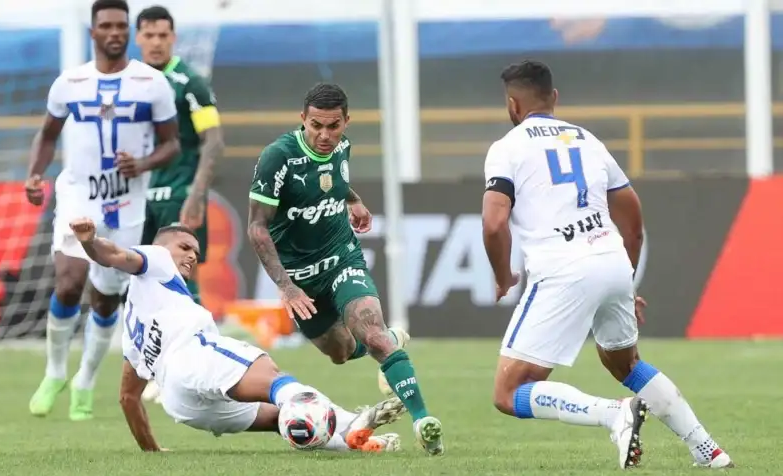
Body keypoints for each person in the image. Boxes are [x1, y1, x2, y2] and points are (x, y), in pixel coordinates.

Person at [481, 60, 732, 469]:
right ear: (554, 98)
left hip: (562, 268)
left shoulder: (507, 148)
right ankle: (708, 449)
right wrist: (626, 283)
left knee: (510, 392)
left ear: (512, 105)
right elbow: (632, 220)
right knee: (625, 362)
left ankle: (613, 414)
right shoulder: (588, 140)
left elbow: (494, 224)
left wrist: (502, 275)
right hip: (612, 258)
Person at [69, 217, 404, 453]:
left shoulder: (134, 328)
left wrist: (152, 451)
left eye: (196, 254)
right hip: (193, 355)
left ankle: (352, 438)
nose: (191, 256)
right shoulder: (155, 259)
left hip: (181, 404)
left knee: (279, 418)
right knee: (274, 379)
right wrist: (90, 243)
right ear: (161, 247)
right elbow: (115, 255)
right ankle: (349, 419)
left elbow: (128, 398)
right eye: (185, 247)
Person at [247, 83, 443, 456]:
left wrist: (353, 200)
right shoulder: (278, 157)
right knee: (338, 352)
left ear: (346, 122)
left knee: (373, 334)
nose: (324, 135)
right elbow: (257, 227)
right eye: (316, 126)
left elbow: (333, 181)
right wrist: (286, 287)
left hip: (341, 257)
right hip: (299, 276)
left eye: (333, 126)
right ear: (302, 119)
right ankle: (387, 343)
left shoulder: (342, 147)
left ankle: (423, 421)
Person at [25, 0, 181, 421]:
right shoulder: (69, 82)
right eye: (105, 26)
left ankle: (85, 379)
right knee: (68, 285)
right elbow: (46, 136)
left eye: (120, 26)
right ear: (92, 32)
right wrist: (35, 176)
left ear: (127, 31)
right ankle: (55, 371)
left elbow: (172, 145)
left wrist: (143, 164)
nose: (114, 32)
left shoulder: (152, 84)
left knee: (107, 298)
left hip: (125, 204)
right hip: (78, 196)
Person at [135, 5, 224, 305]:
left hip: (178, 192)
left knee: (183, 272)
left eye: (162, 35)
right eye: (150, 35)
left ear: (173, 37)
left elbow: (213, 141)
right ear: (138, 38)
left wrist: (196, 194)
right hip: (137, 196)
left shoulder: (190, 84)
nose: (156, 42)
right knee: (137, 274)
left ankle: (196, 342)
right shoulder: (129, 83)